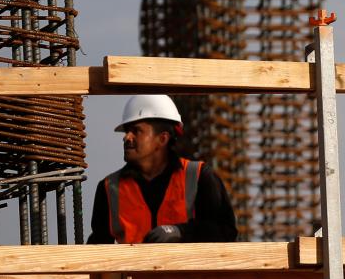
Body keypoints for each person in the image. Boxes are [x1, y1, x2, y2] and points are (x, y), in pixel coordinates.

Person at [87, 94, 239, 244]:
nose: (126, 137)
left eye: (136, 131)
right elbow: (98, 247)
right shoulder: (109, 188)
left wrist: (179, 232)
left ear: (162, 139)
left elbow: (225, 231)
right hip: (134, 269)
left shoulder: (199, 176)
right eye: (127, 131)